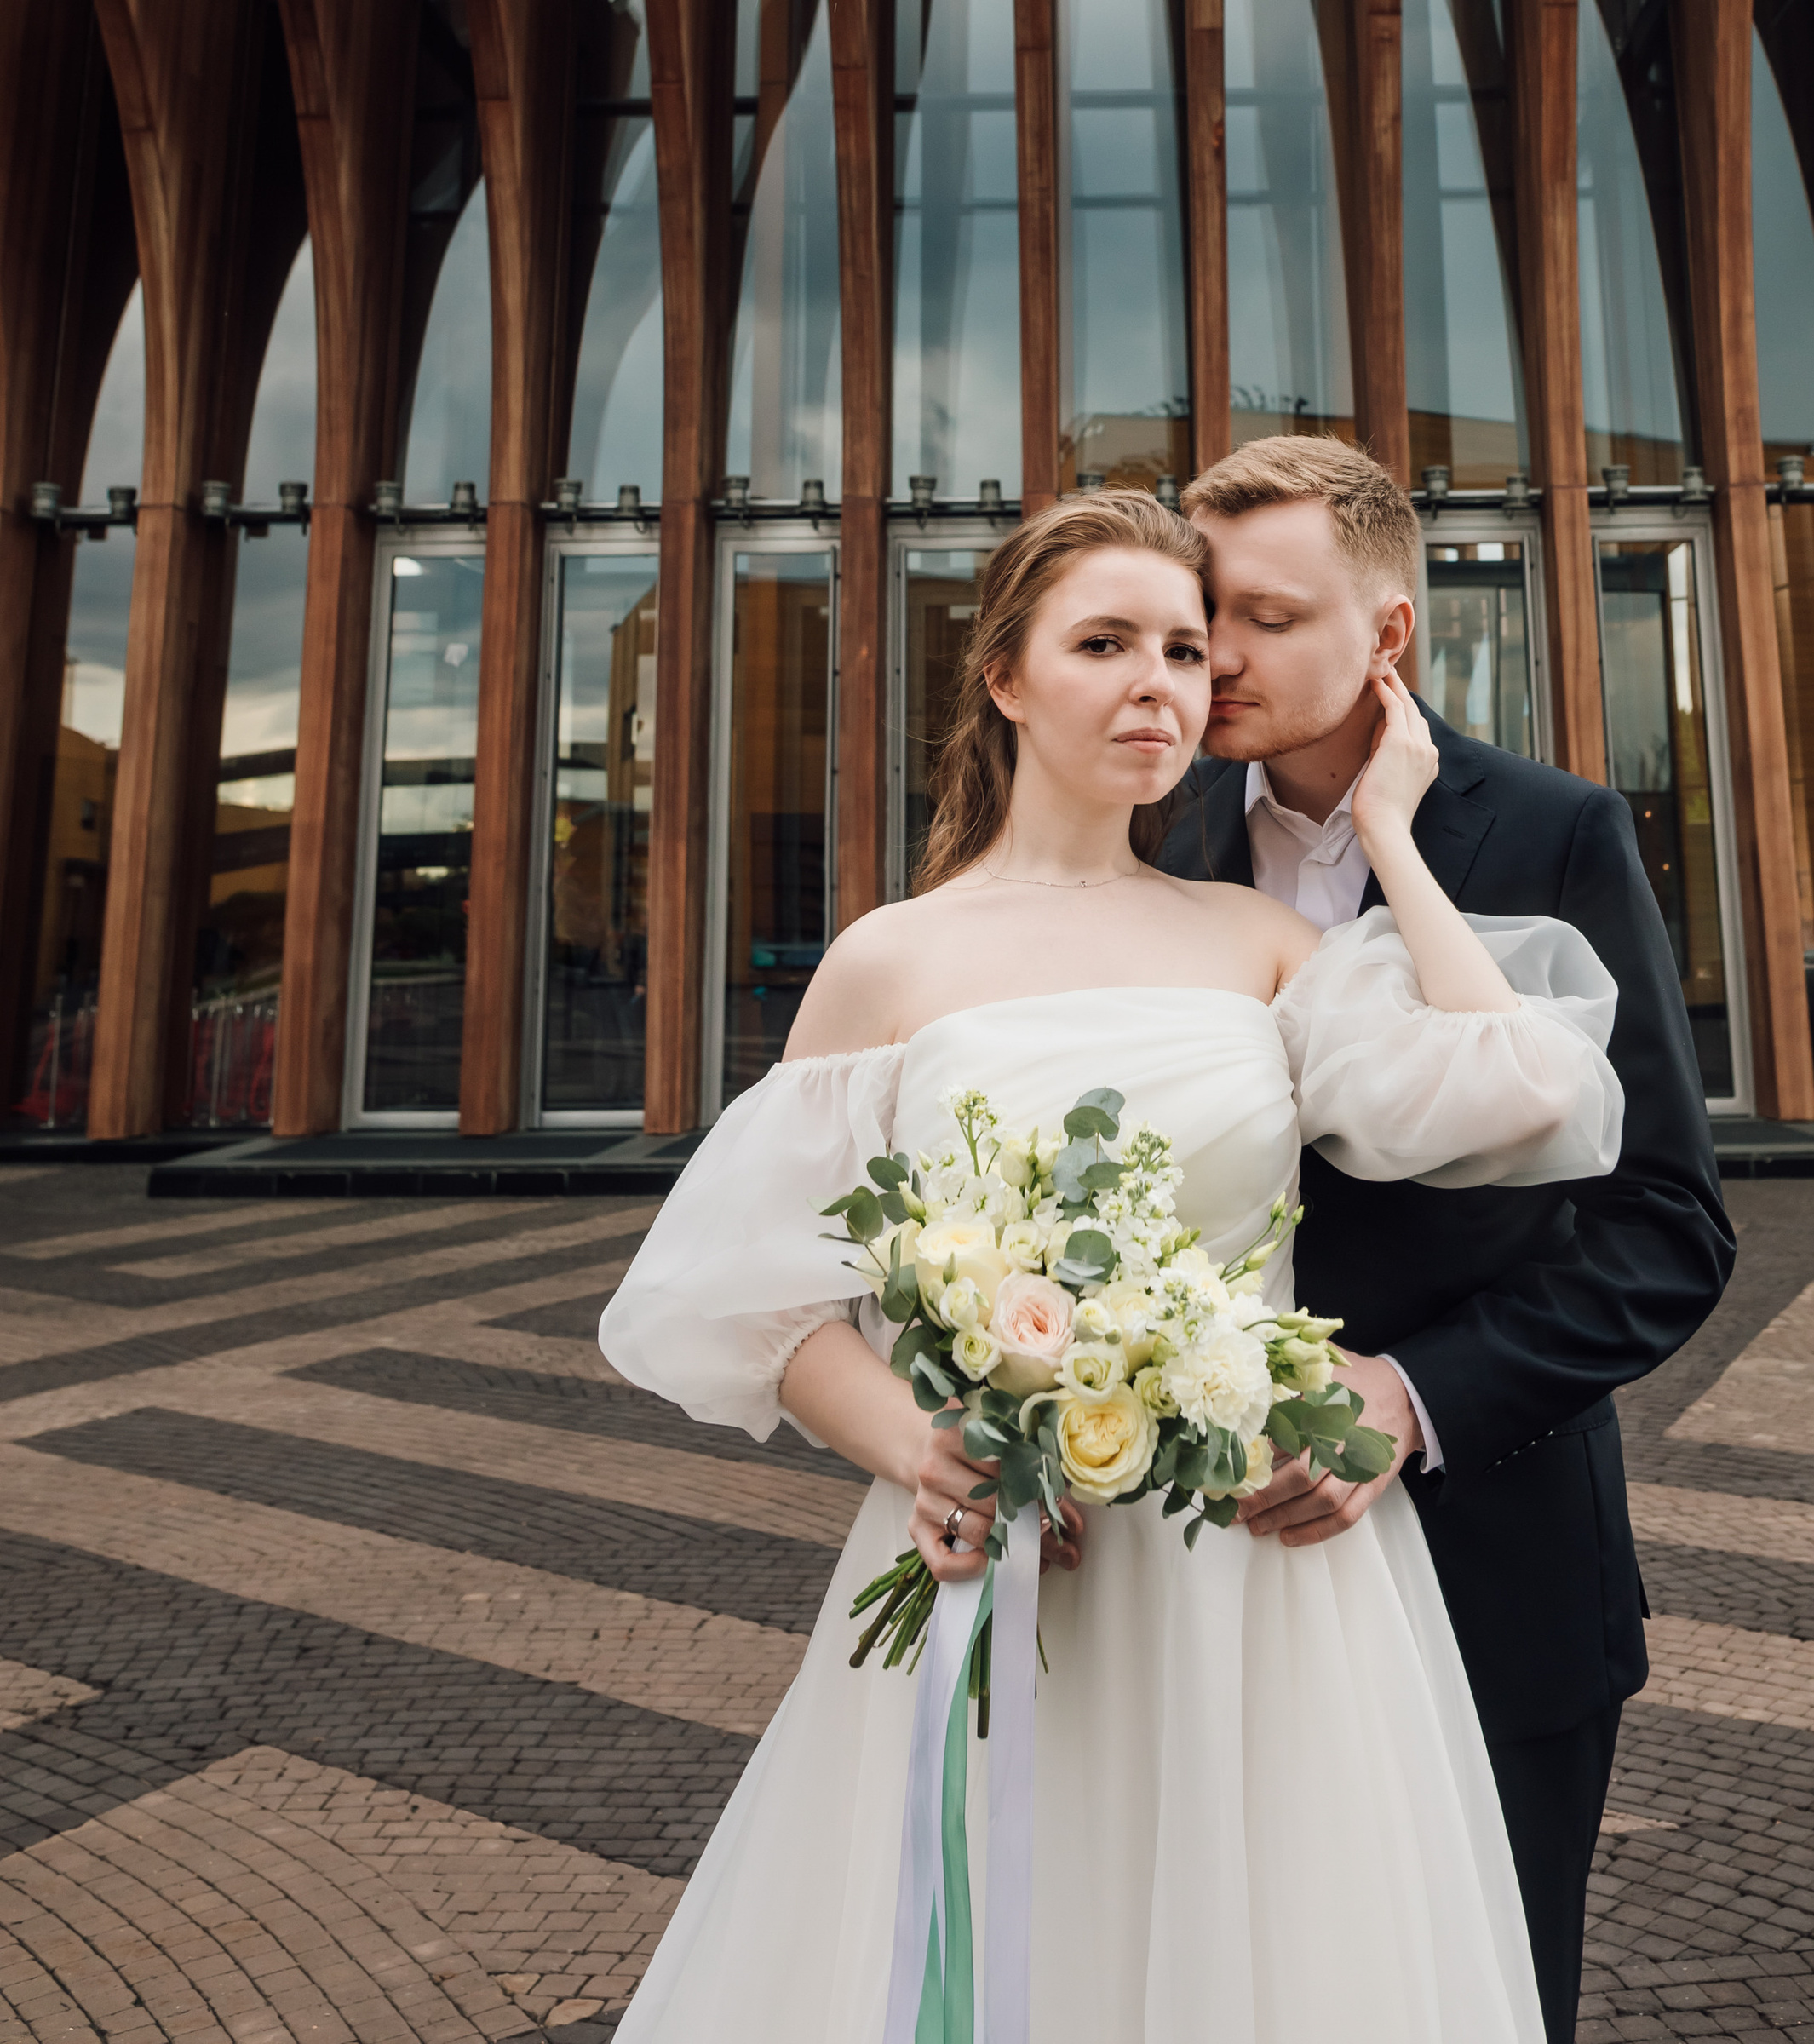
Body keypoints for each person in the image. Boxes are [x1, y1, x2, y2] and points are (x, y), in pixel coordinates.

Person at [597, 490, 1627, 2044]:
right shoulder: (892, 957)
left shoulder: (1258, 943)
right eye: (1105, 644)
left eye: (1185, 649)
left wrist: (1397, 838)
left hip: (1264, 1578)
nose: (1162, 682)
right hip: (1001, 1550)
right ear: (1006, 676)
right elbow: (752, 1295)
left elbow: (1523, 1091)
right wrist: (921, 1450)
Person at [1162, 438, 1735, 2044]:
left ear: (1389, 632)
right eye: (1205, 609)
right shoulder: (1151, 843)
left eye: (1266, 615)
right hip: (1205, 1564)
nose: (1219, 651)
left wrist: (1405, 1400)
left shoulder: (1554, 832)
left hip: (1491, 1553)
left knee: (1480, 1996)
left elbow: (1665, 1226)